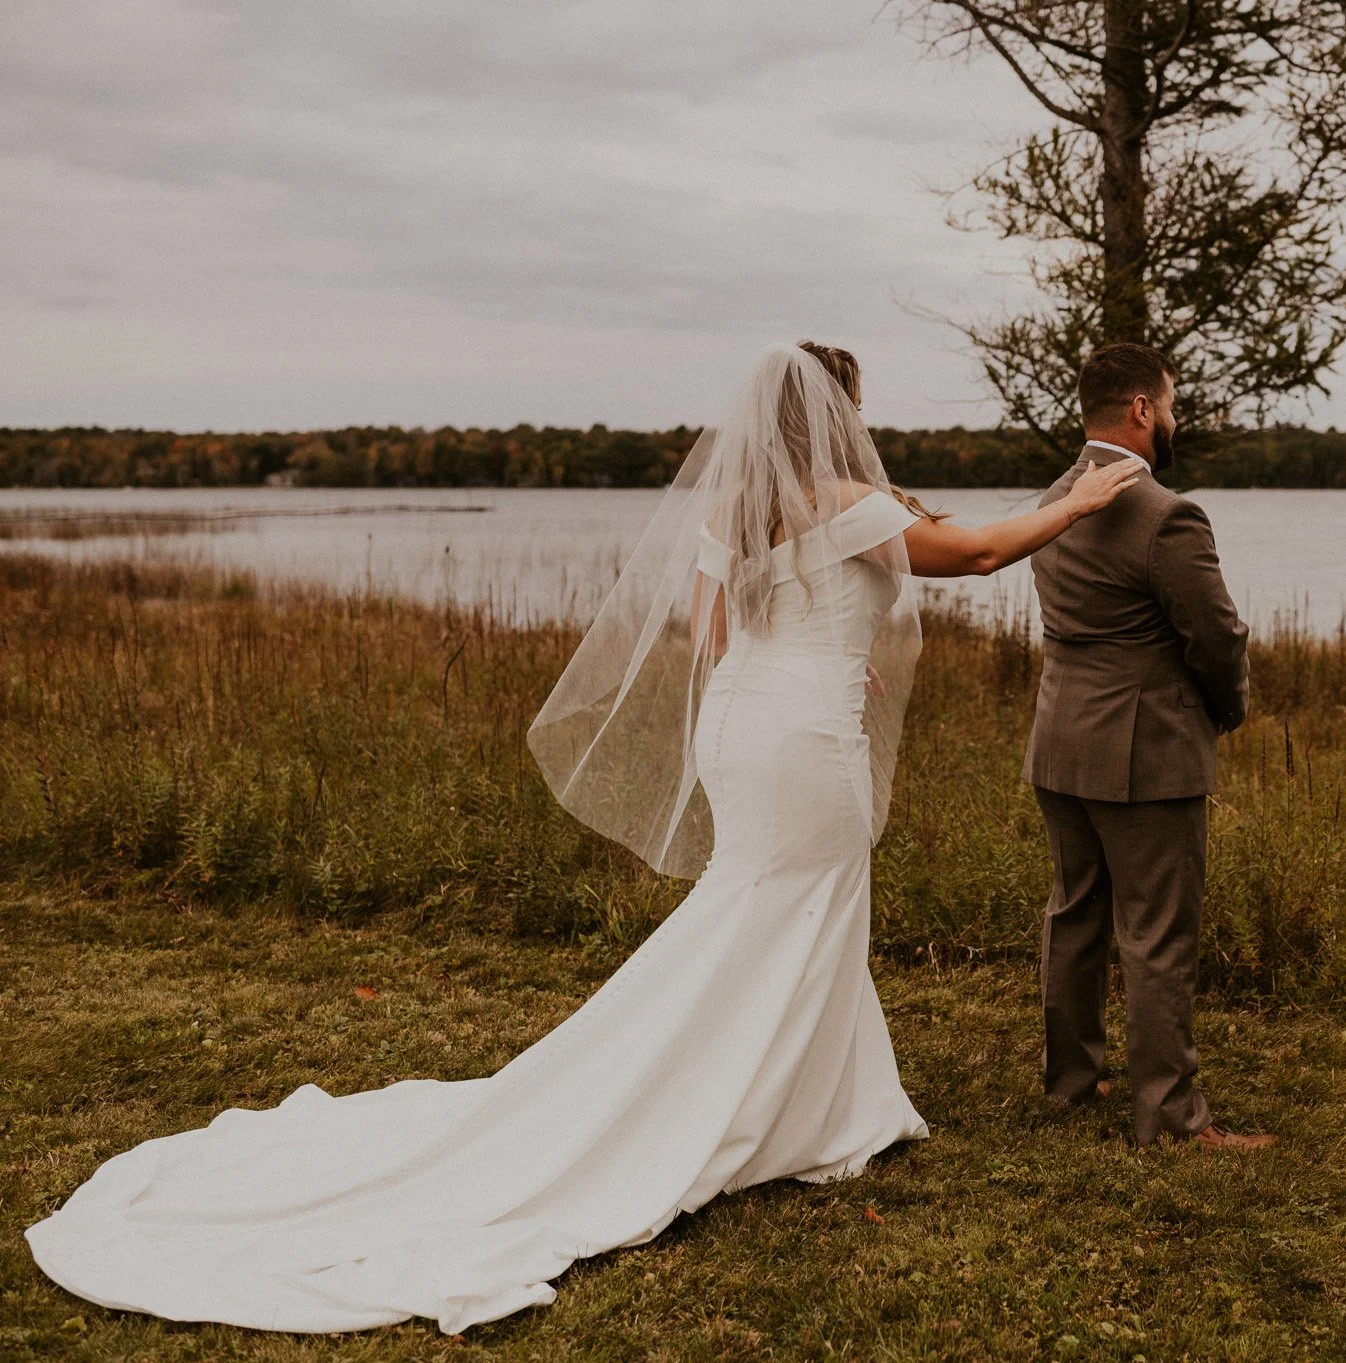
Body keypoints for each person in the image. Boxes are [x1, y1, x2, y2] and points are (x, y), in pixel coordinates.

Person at [24, 342, 1142, 1336]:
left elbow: (711, 638)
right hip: (805, 737)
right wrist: (1084, 498)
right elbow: (986, 553)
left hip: (745, 726)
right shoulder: (845, 499)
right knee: (789, 906)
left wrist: (799, 638)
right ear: (836, 416)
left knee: (765, 904)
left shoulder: (735, 514)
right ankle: (774, 1109)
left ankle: (823, 1101)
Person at [1026, 343, 1272, 1149]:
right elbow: (1218, 637)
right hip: (1145, 755)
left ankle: (1071, 1080)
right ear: (1139, 409)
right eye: (1168, 403)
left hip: (1061, 743)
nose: (1172, 418)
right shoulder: (1169, 515)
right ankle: (1169, 1118)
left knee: (1076, 912)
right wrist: (1226, 712)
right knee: (1158, 934)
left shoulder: (1053, 500)